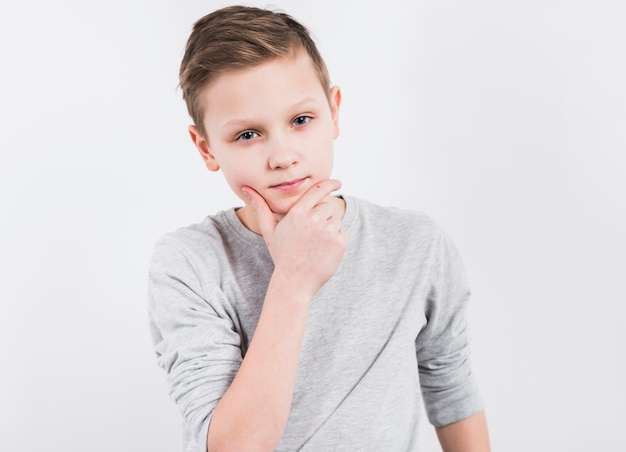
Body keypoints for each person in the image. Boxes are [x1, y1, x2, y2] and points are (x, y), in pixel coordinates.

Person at [148, 5, 490, 451]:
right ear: (206, 147)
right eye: (247, 134)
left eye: (300, 120)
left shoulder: (415, 243)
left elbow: (452, 388)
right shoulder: (189, 263)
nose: (283, 155)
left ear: (334, 112)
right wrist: (293, 280)